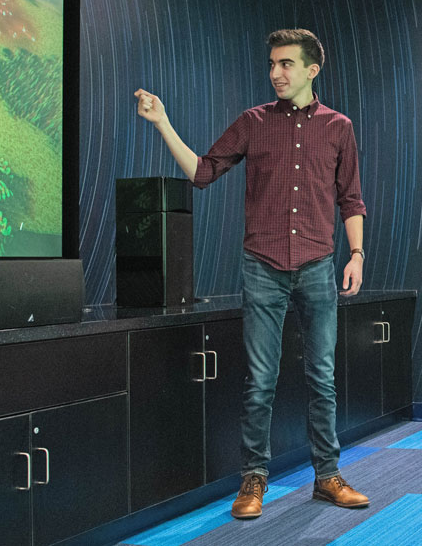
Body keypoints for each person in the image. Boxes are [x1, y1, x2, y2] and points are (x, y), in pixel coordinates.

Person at [133, 29, 370, 520]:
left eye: (286, 64)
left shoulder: (338, 127)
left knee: (321, 378)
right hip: (262, 265)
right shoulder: (253, 122)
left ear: (312, 69)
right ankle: (254, 481)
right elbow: (203, 172)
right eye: (271, 65)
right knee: (261, 380)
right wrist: (162, 122)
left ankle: (327, 477)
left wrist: (356, 253)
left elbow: (351, 198)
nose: (276, 73)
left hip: (316, 264)